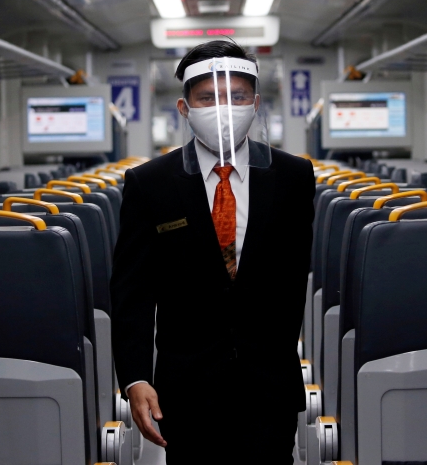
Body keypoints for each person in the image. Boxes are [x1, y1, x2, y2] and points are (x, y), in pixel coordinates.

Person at [111, 40, 315, 463]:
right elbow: (132, 291)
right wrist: (134, 379)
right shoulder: (149, 183)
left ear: (255, 103)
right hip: (185, 387)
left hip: (269, 384)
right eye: (208, 98)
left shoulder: (293, 176)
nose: (224, 108)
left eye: (236, 97)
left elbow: (294, 277)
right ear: (184, 108)